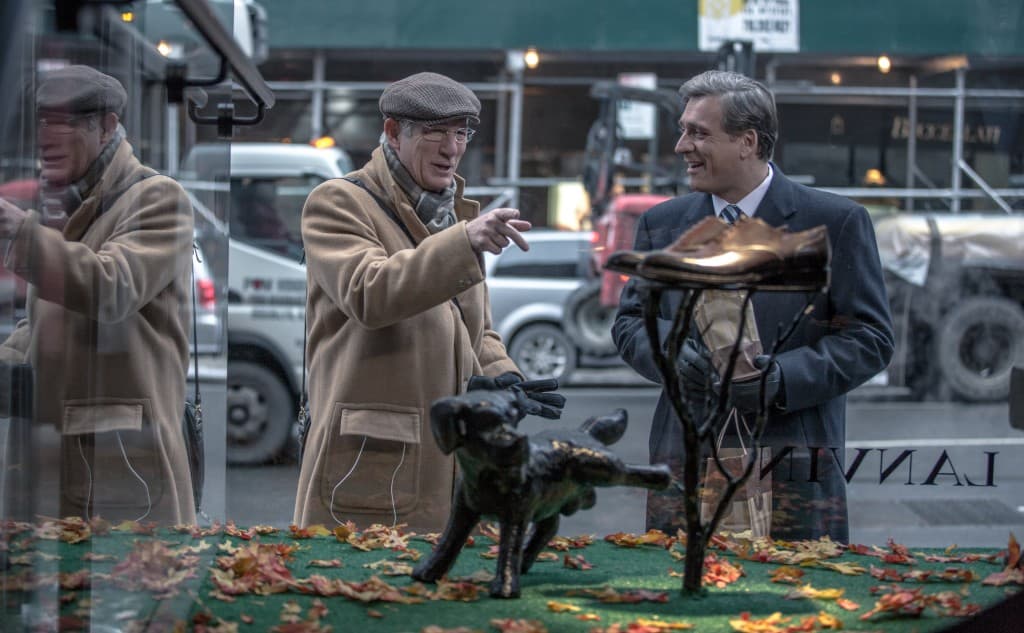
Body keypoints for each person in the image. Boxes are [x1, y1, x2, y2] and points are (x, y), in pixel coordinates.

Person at [612, 70, 894, 542]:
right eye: (683, 130)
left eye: (698, 133)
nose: (682, 146)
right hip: (685, 464)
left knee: (793, 610)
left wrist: (782, 379)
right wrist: (672, 354)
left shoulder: (834, 222)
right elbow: (630, 325)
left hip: (792, 466)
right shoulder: (662, 225)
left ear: (747, 142)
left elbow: (871, 339)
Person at [294, 72, 559, 532]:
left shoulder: (454, 216)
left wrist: (503, 378)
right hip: (369, 461)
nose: (451, 148)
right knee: (358, 593)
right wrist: (462, 241)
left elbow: (477, 329)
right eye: (436, 132)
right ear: (394, 132)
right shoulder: (338, 202)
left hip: (455, 460)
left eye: (461, 133)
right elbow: (369, 292)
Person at [0, 65, 196, 524]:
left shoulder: (158, 198)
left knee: (141, 588)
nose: (46, 137)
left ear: (108, 125)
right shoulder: (65, 202)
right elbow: (49, 319)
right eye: (41, 122)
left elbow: (113, 288)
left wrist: (21, 232)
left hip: (123, 466)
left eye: (63, 122)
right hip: (54, 461)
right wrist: (9, 361)